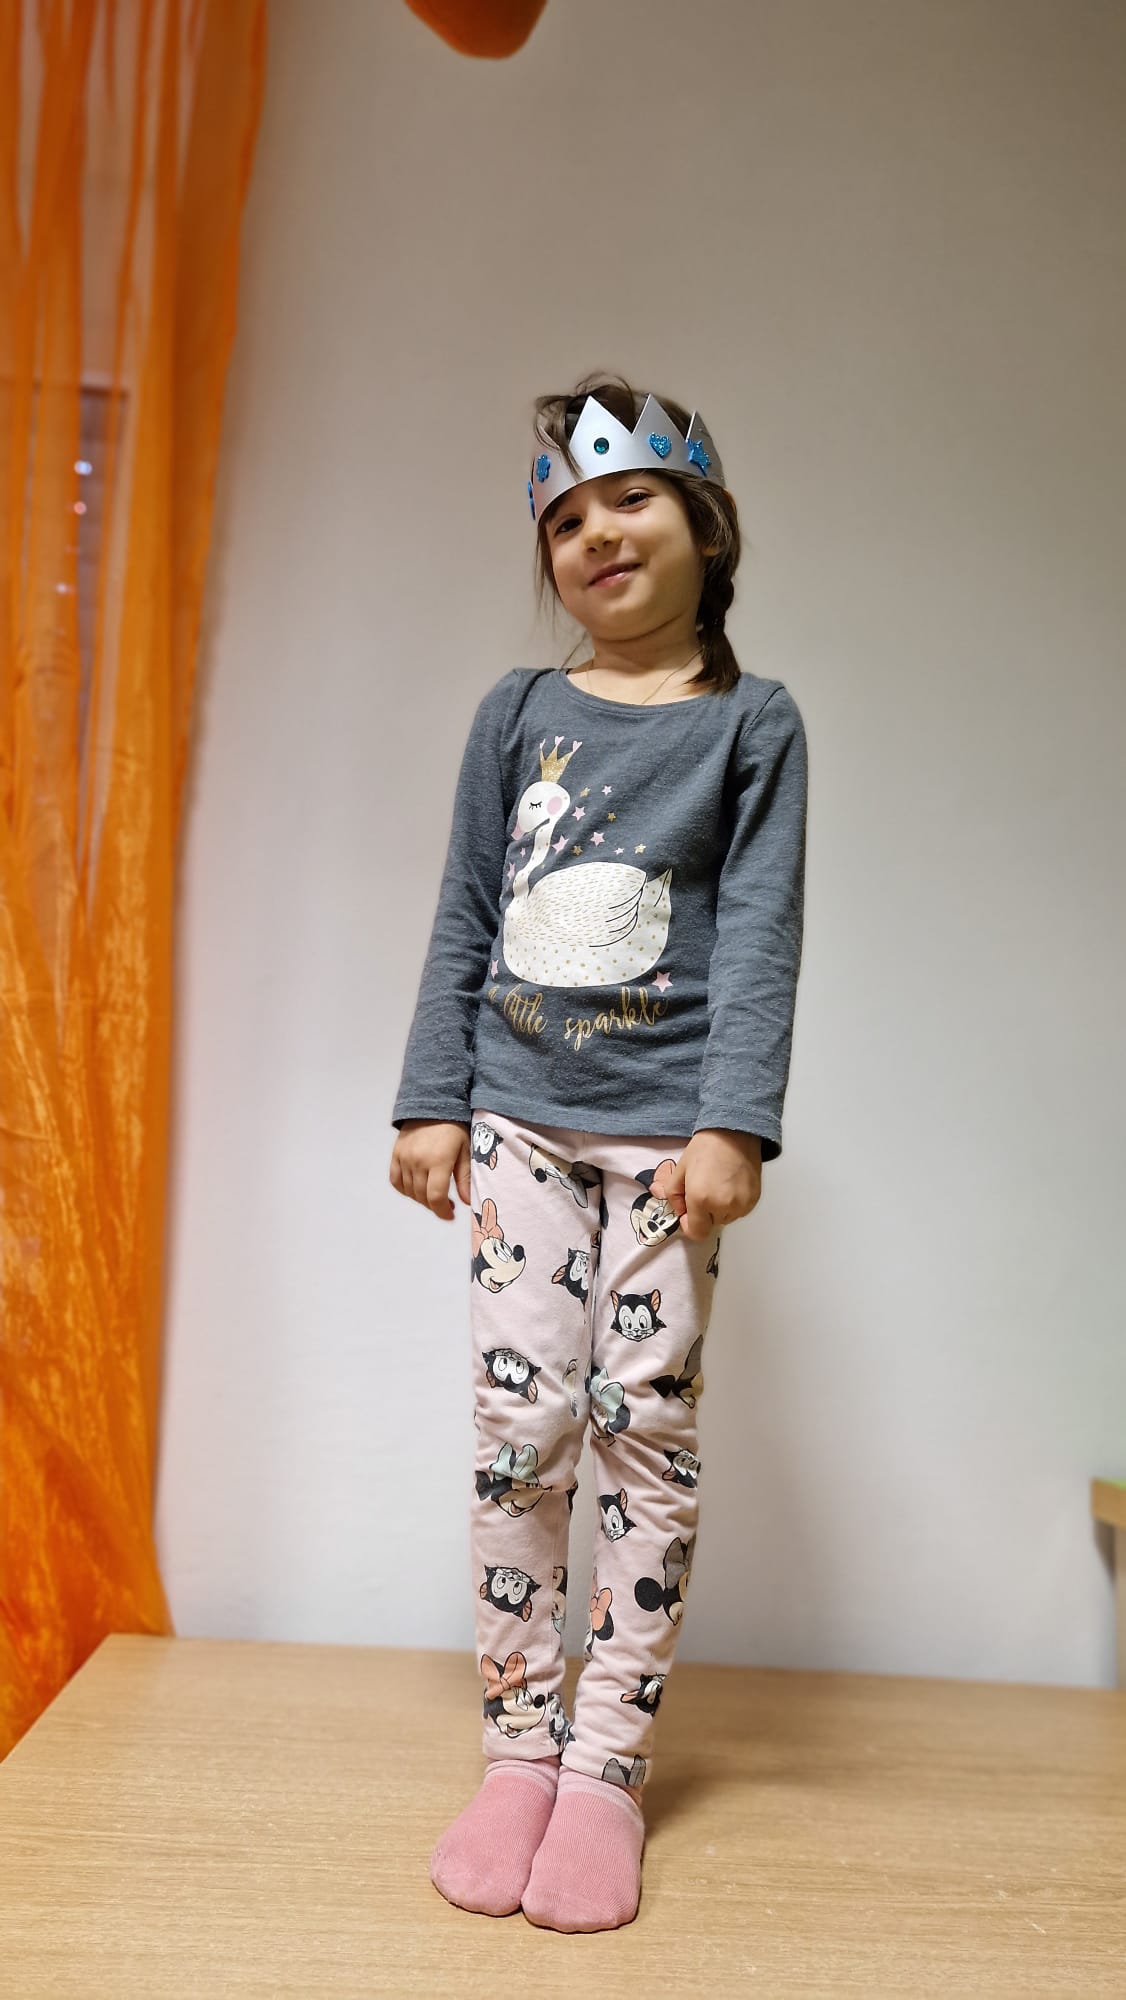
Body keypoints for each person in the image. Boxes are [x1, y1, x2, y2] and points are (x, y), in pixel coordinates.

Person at [389, 373, 808, 1932]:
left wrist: (732, 1121)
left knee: (644, 1429)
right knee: (520, 1421)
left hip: (666, 1143)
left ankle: (604, 1769)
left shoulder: (751, 724)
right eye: (564, 517)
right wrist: (428, 1096)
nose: (595, 532)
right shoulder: (516, 713)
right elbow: (464, 910)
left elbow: (758, 933)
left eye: (628, 498)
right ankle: (516, 1754)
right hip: (514, 1119)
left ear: (706, 523)